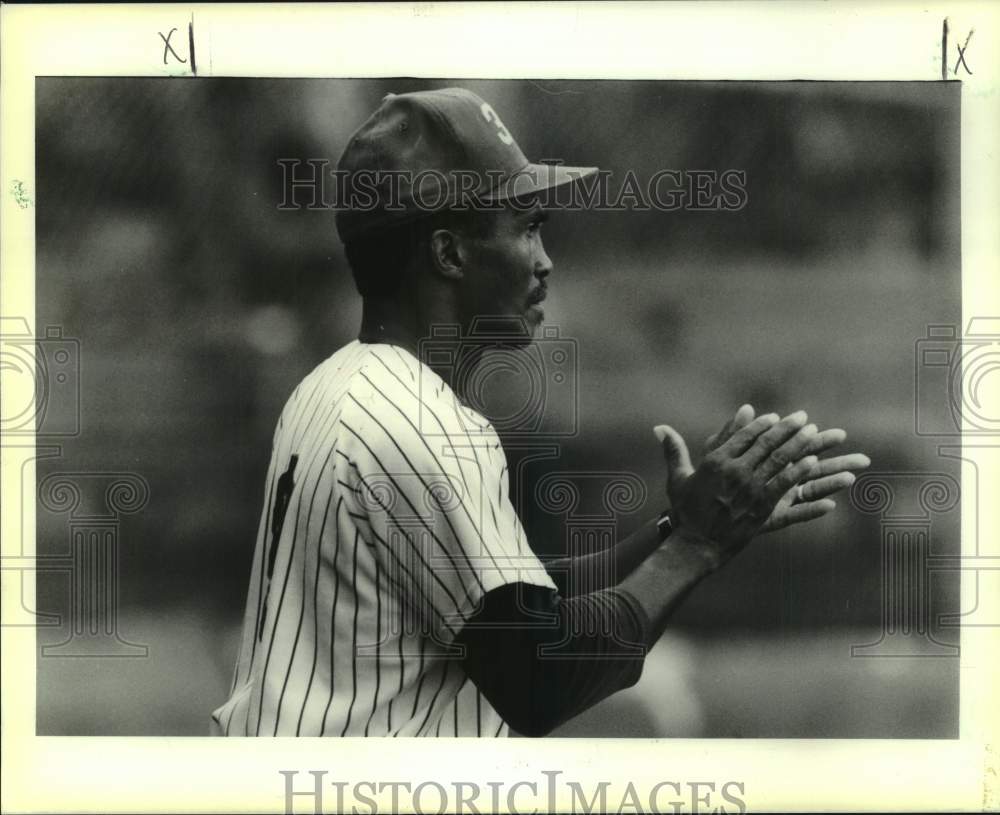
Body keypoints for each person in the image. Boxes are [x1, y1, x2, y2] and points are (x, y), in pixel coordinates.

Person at [210, 87, 869, 738]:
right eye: (525, 228)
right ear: (448, 252)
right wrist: (699, 546)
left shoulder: (337, 385)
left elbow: (507, 603)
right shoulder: (419, 424)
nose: (546, 261)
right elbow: (540, 678)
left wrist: (679, 530)